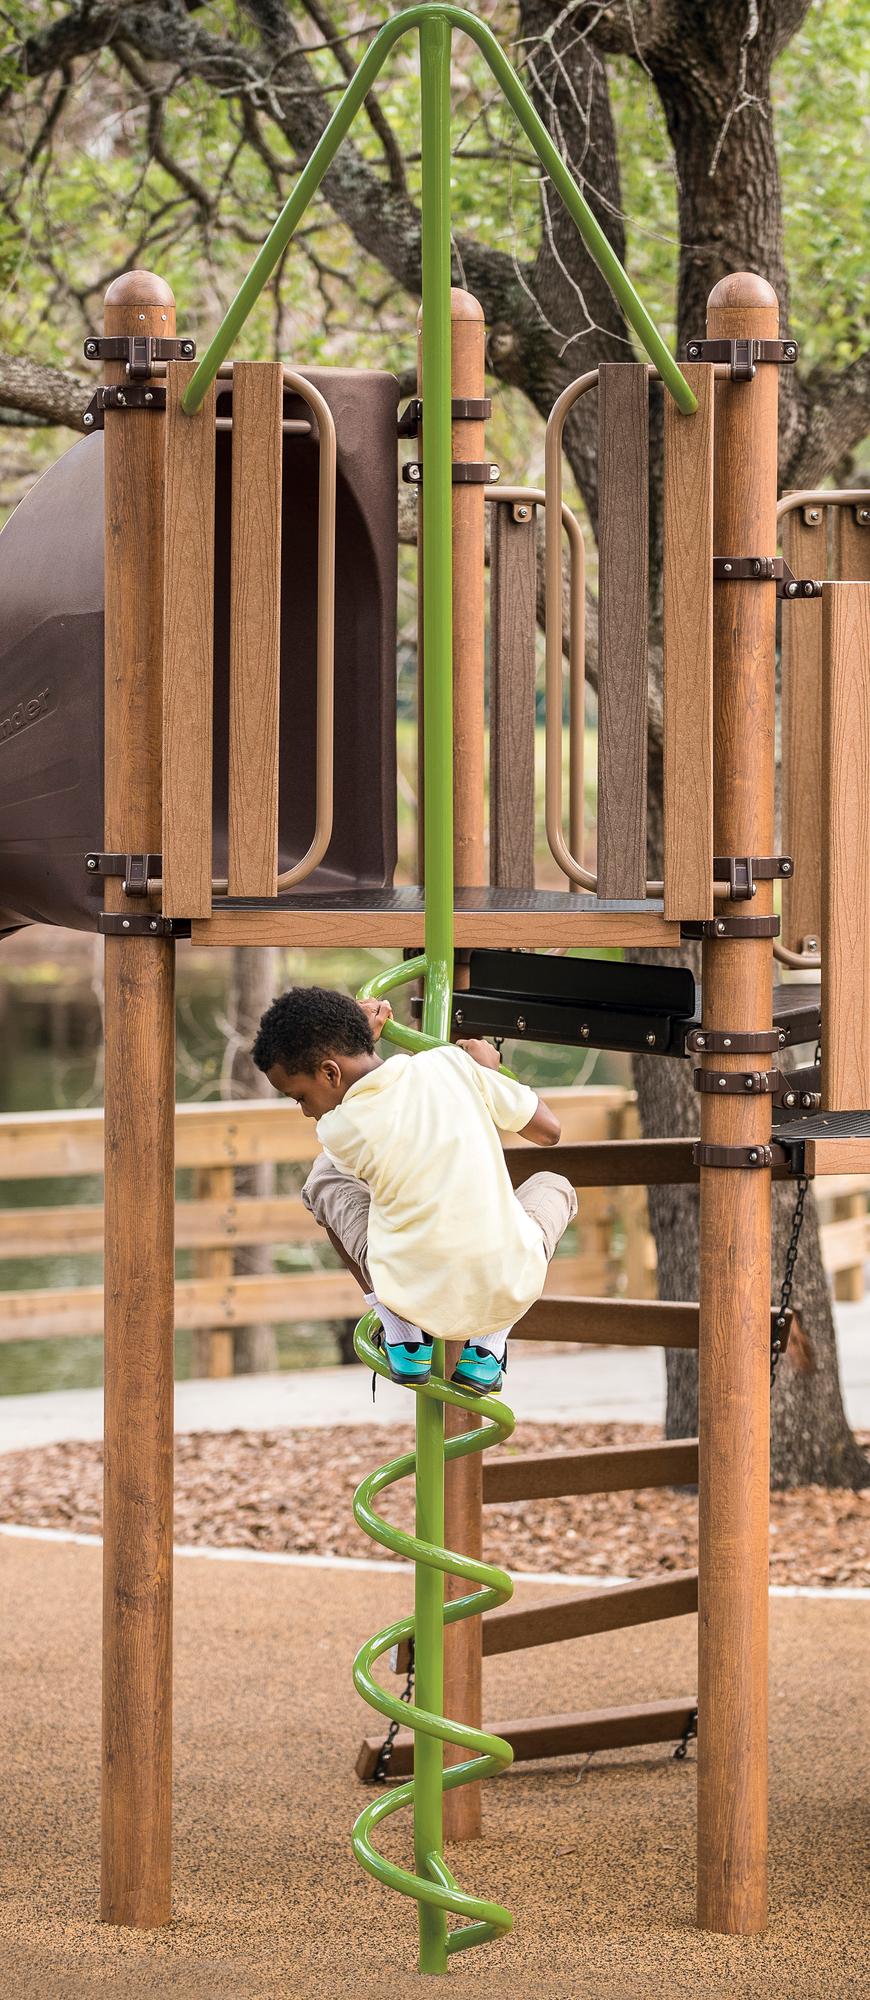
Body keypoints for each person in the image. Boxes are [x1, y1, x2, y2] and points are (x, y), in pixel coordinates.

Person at [251, 985, 577, 1394]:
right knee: (555, 1186)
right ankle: (487, 1350)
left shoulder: (338, 1129)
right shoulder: (452, 1067)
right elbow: (549, 1132)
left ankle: (403, 1335)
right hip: (507, 1285)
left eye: (299, 1096)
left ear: (331, 1073)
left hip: (412, 1291)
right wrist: (486, 1074)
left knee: (323, 1179)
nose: (304, 1109)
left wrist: (358, 1042)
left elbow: (383, 1116)